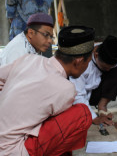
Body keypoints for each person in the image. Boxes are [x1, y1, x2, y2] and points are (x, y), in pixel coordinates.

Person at [0, 25, 95, 155]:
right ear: (78, 61)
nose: (87, 67)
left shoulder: (28, 58)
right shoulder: (66, 89)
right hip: (13, 150)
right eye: (88, 62)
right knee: (82, 114)